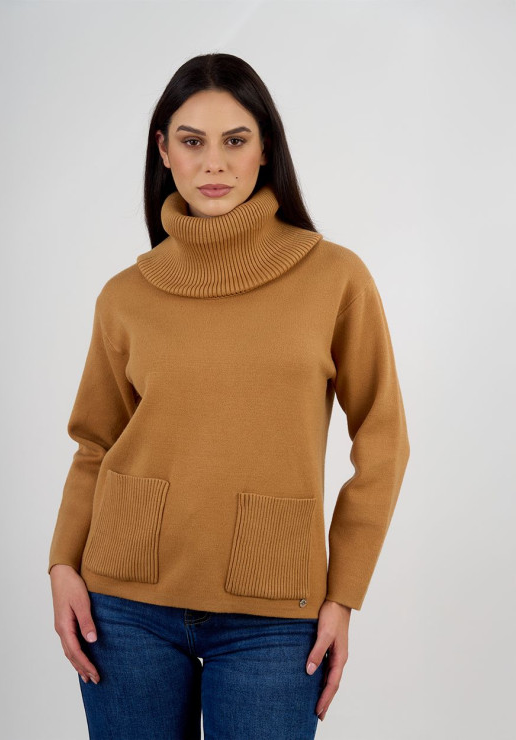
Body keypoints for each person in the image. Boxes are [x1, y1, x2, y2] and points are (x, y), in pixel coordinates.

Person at [48, 52, 410, 739]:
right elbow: (95, 442)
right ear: (163, 151)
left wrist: (343, 595)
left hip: (273, 612)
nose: (213, 163)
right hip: (122, 604)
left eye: (235, 140)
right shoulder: (126, 295)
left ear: (265, 147)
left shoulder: (334, 278)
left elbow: (384, 441)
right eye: (192, 141)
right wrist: (63, 562)